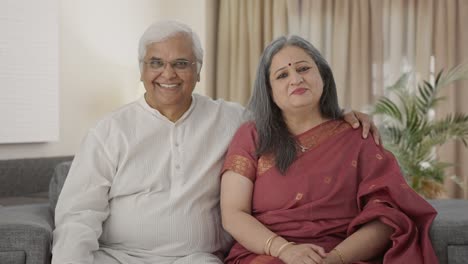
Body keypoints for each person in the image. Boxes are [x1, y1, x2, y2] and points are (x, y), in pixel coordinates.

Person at [52, 21, 380, 264]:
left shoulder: (232, 119)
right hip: (117, 257)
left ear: (198, 71)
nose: (168, 74)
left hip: (196, 259)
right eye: (156, 63)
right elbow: (78, 215)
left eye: (181, 63)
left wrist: (344, 114)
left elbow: (291, 113)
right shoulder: (109, 130)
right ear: (141, 70)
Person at [220, 35, 438, 264]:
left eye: (303, 69)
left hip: (344, 256)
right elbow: (234, 213)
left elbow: (388, 219)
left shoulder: (357, 135)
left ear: (323, 75)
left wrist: (334, 259)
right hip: (267, 254)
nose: (295, 79)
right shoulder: (253, 136)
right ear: (269, 90)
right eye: (282, 75)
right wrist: (285, 250)